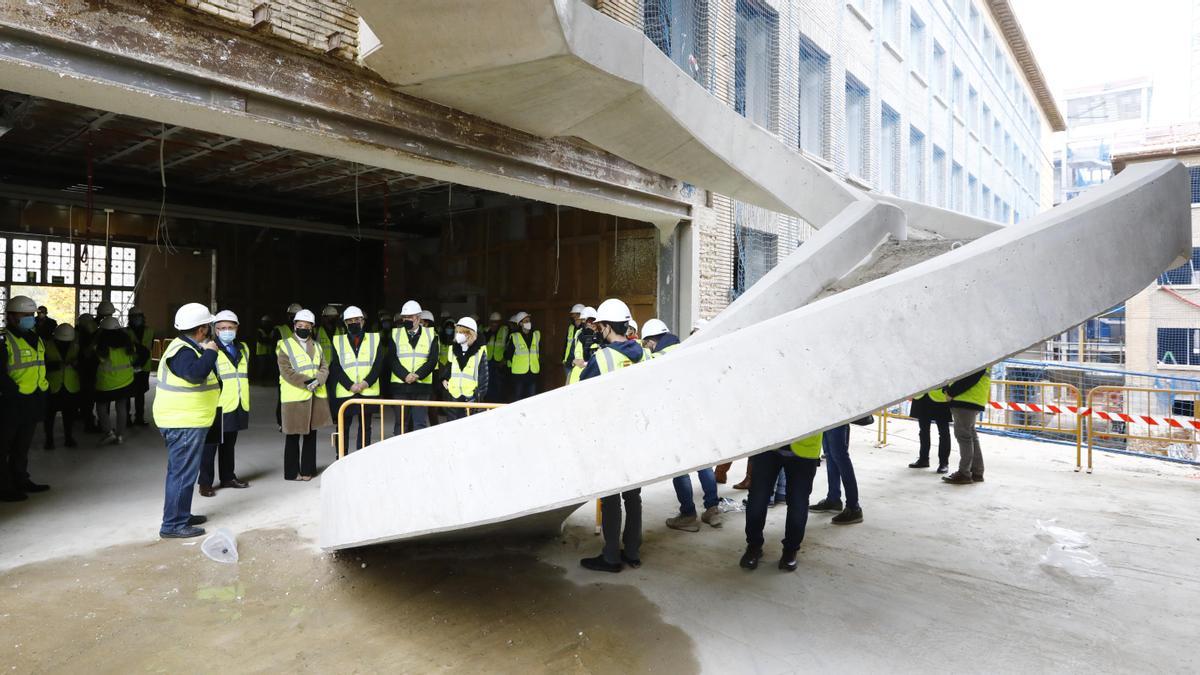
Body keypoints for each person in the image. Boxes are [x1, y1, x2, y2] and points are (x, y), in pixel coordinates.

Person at [579, 298, 645, 573]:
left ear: (606, 327)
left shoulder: (603, 357)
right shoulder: (643, 353)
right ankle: (632, 552)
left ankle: (610, 557)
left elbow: (582, 391)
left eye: (600, 326)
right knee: (633, 496)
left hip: (610, 436)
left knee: (610, 497)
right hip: (636, 434)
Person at [154, 302, 220, 538]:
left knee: (182, 472)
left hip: (187, 421)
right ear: (202, 329)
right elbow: (194, 374)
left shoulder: (186, 347)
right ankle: (173, 525)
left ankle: (181, 514)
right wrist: (212, 351)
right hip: (182, 423)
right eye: (209, 327)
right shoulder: (182, 352)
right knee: (182, 474)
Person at [741, 434, 822, 572]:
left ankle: (791, 550)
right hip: (768, 444)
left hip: (805, 447)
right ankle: (753, 546)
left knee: (798, 502)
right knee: (757, 498)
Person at [1, 295, 52, 502]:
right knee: (3, 447)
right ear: (12, 317)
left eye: (31, 315)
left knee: (22, 446)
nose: (30, 319)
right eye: (25, 316)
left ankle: (21, 479)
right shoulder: (4, 340)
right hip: (10, 402)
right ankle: (4, 487)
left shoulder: (35, 337)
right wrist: (12, 392)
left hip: (32, 400)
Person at [198, 310, 251, 497]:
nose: (226, 331)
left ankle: (228, 477)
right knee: (209, 446)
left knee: (229, 444)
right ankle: (205, 483)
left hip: (237, 403)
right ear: (215, 330)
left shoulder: (243, 348)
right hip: (216, 405)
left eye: (230, 327)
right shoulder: (208, 348)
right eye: (222, 328)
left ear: (237, 328)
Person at [277, 309, 331, 480]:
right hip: (294, 397)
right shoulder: (284, 345)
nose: (303, 329)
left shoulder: (317, 346)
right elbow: (286, 371)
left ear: (312, 328)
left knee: (310, 435)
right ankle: (292, 473)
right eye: (300, 325)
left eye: (307, 326)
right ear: (294, 326)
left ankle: (308, 470)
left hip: (314, 396)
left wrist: (319, 380)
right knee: (292, 436)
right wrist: (308, 382)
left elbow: (324, 367)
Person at [329, 306, 383, 452]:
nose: (353, 323)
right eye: (349, 321)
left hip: (368, 390)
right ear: (345, 324)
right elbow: (336, 367)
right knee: (343, 427)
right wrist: (350, 385)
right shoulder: (337, 341)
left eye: (356, 320)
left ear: (363, 321)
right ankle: (341, 457)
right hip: (346, 392)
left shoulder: (374, 339)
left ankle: (361, 458)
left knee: (366, 427)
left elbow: (378, 364)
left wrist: (366, 383)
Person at [390, 300, 439, 435]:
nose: (406, 320)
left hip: (421, 386)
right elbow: (392, 359)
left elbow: (432, 360)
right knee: (400, 423)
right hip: (400, 385)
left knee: (420, 424)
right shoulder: (395, 334)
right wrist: (405, 375)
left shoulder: (431, 335)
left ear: (418, 318)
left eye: (409, 317)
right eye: (404, 317)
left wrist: (417, 375)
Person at [93, 317, 139, 446]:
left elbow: (96, 359)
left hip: (106, 383)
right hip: (126, 381)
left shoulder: (100, 347)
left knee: (101, 407)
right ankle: (120, 436)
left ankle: (108, 433)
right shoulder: (129, 345)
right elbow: (133, 358)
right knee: (121, 407)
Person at [942, 368, 991, 485]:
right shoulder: (984, 356)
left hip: (965, 400)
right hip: (974, 399)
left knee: (964, 437)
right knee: (972, 436)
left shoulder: (977, 357)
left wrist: (951, 392)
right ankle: (977, 472)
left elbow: (970, 378)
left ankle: (964, 473)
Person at [809, 424, 863, 524]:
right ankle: (833, 500)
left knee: (840, 457)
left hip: (837, 419)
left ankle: (854, 507)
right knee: (830, 455)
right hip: (826, 418)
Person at [441, 316, 489, 421]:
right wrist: (444, 379)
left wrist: (477, 399)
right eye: (457, 331)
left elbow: (483, 378)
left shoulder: (480, 351)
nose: (458, 334)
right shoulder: (452, 348)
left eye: (462, 332)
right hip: (454, 396)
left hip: (471, 398)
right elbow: (449, 368)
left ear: (470, 334)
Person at [43, 323, 80, 450]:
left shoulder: (75, 345)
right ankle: (49, 440)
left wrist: (76, 364)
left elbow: (83, 363)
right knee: (49, 415)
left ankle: (68, 438)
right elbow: (41, 366)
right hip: (52, 386)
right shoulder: (46, 345)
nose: (65, 343)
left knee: (69, 414)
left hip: (71, 386)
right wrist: (55, 365)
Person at [909, 391, 953, 473]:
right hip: (921, 396)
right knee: (923, 431)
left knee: (944, 432)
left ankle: (944, 463)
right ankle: (923, 459)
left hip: (940, 398)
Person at [273, 303, 302, 428]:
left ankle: (299, 420)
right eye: (292, 315)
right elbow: (274, 351)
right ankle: (282, 422)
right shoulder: (280, 330)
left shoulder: (304, 329)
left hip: (300, 369)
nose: (293, 318)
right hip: (283, 369)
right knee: (284, 397)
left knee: (300, 396)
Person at [126, 306, 154, 427]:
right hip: (129, 366)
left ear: (142, 318)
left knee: (140, 393)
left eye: (138, 317)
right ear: (130, 318)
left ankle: (139, 418)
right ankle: (126, 419)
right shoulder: (125, 332)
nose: (136, 319)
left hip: (144, 367)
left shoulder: (150, 331)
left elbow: (150, 346)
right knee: (127, 394)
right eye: (134, 317)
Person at [505, 311, 541, 401]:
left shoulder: (536, 335)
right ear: (520, 323)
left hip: (532, 371)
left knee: (532, 397)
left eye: (529, 320)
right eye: (525, 321)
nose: (528, 322)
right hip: (519, 373)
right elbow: (508, 354)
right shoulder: (514, 336)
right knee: (518, 396)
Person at [75, 313, 99, 433]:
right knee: (88, 398)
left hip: (84, 370)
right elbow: (87, 353)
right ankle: (89, 424)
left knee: (85, 397)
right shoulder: (84, 336)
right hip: (87, 370)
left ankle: (85, 417)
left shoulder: (80, 334)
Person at [565, 306, 601, 385]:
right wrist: (573, 361)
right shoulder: (579, 334)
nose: (588, 324)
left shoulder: (601, 336)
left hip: (594, 378)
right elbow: (570, 357)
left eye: (591, 321)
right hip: (576, 378)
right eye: (584, 321)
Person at [484, 311, 509, 403]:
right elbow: (483, 344)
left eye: (496, 322)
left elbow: (508, 346)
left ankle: (497, 402)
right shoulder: (486, 330)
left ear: (500, 322)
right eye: (492, 322)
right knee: (488, 382)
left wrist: (504, 360)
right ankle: (489, 402)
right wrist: (490, 333)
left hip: (499, 361)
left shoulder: (505, 330)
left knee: (499, 383)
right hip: (488, 360)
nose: (494, 324)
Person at [562, 303, 585, 378]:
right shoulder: (571, 327)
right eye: (573, 316)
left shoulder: (586, 330)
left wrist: (581, 326)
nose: (574, 318)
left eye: (576, 316)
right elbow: (566, 345)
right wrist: (564, 359)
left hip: (579, 364)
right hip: (568, 363)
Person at [253, 314, 275, 384]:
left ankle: (266, 381)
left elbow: (273, 340)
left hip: (269, 352)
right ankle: (261, 381)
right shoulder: (259, 330)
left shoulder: (272, 330)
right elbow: (260, 340)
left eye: (267, 322)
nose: (266, 324)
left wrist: (266, 339)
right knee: (261, 367)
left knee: (268, 367)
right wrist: (268, 340)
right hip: (261, 352)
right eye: (265, 322)